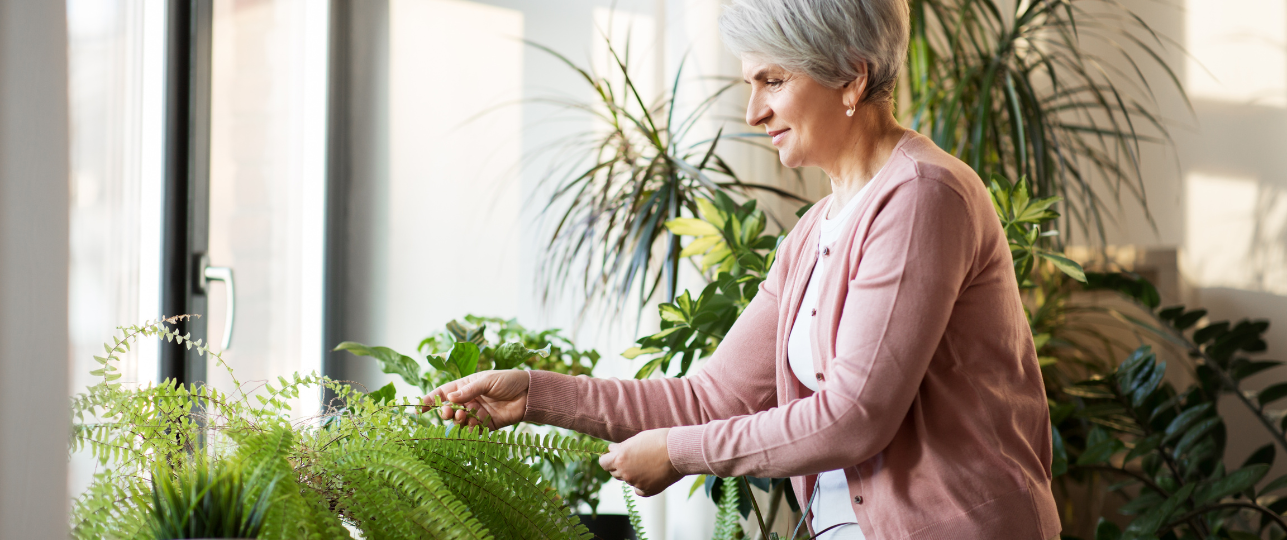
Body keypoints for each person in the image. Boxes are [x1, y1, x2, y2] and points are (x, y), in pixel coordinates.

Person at [425, 0, 1061, 538]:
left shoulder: (923, 195)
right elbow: (711, 397)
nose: (753, 111)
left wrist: (679, 454)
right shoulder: (813, 235)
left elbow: (854, 416)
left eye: (773, 80)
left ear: (851, 78)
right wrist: (534, 394)